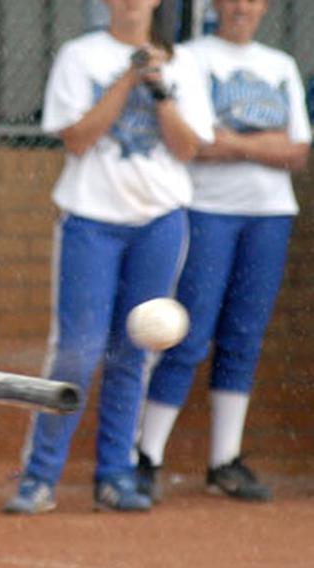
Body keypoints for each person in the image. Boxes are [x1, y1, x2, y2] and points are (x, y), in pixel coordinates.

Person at [3, 0, 214, 514]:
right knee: (77, 350)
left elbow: (188, 148)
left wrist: (159, 87)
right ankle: (39, 476)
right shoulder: (80, 55)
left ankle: (115, 474)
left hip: (160, 219)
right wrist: (126, 79)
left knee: (135, 348)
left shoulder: (184, 63)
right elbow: (76, 139)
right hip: (91, 219)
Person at [136, 0, 310, 503]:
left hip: (271, 214)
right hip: (207, 211)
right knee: (186, 335)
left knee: (244, 336)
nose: (241, 7)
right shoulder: (190, 57)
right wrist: (262, 146)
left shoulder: (279, 65)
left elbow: (297, 152)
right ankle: (148, 455)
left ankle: (224, 461)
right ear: (214, 5)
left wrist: (234, 141)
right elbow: (197, 143)